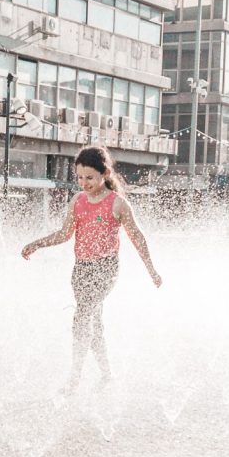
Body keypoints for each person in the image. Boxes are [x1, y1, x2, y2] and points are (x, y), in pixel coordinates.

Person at [21, 145, 162, 388]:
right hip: (81, 269)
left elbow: (137, 237)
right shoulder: (78, 201)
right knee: (94, 323)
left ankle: (74, 378)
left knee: (82, 316)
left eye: (89, 177)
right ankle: (107, 374)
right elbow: (64, 234)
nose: (83, 183)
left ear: (105, 174)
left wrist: (152, 271)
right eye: (79, 177)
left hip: (106, 269)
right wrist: (37, 244)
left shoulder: (117, 204)